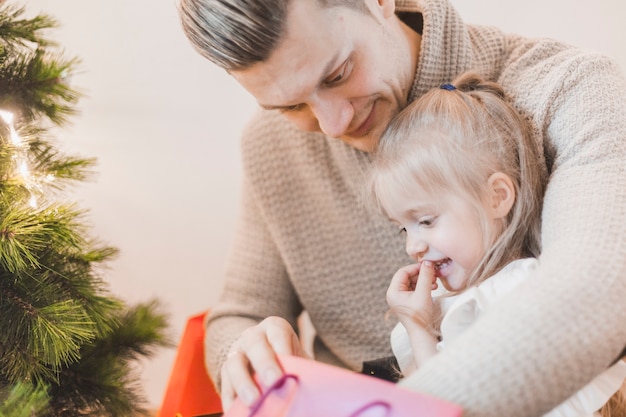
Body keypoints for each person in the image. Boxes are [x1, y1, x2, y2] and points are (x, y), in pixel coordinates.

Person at [177, 0, 626, 415]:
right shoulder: (270, 146)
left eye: (336, 75)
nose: (334, 125)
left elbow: (596, 288)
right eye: (292, 106)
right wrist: (243, 352)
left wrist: (402, 409)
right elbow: (241, 312)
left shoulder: (574, 89)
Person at [367, 72, 626, 416]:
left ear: (497, 197)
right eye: (403, 229)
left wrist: (420, 330)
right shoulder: (446, 303)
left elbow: (441, 409)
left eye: (426, 221)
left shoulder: (521, 293)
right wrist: (420, 325)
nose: (412, 246)